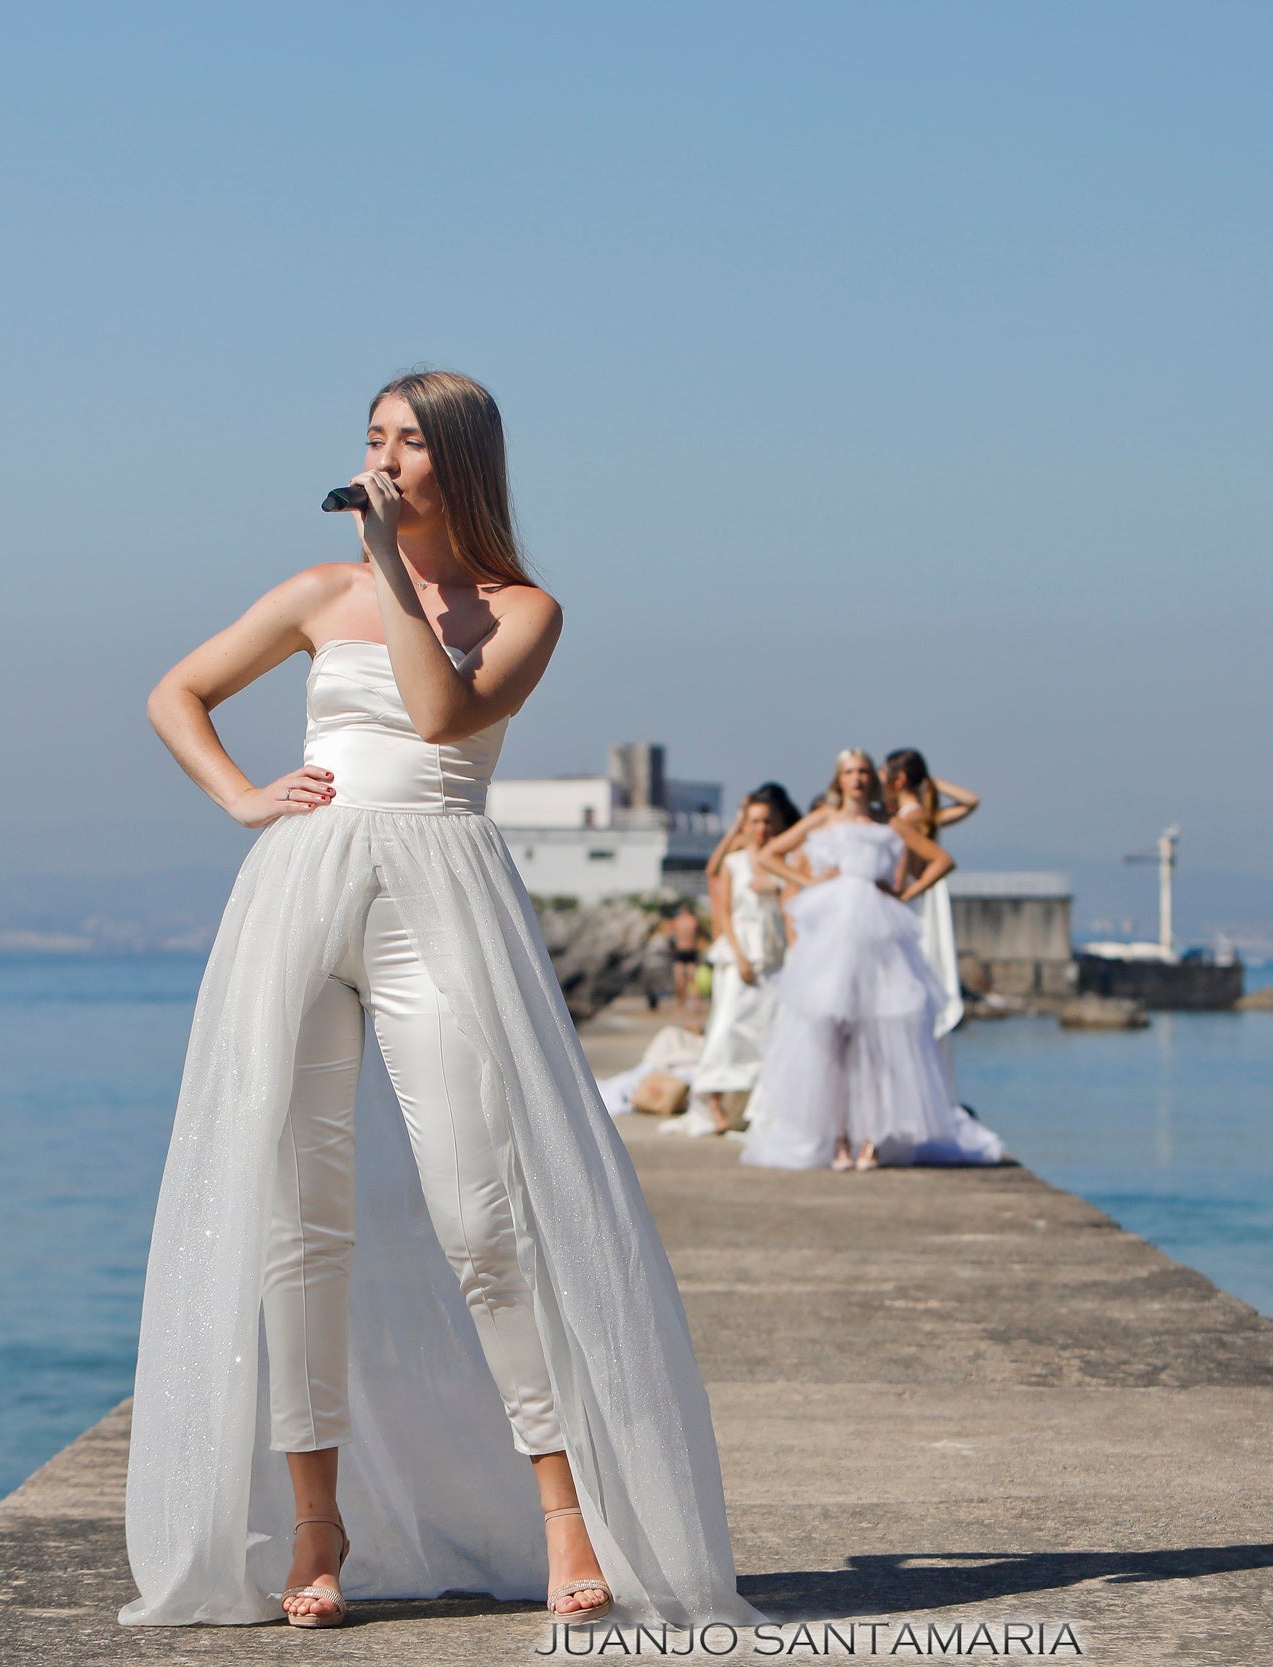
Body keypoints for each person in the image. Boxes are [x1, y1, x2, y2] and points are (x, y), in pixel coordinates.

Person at [127, 370, 755, 1632]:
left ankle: (564, 1506)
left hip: (441, 892)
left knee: (485, 1210)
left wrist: (388, 563)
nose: (385, 459)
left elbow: (438, 710)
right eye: (372, 440)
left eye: (410, 442)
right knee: (298, 1219)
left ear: (459, 461)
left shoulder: (524, 608)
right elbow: (173, 693)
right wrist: (245, 797)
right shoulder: (314, 593)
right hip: (300, 887)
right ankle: (317, 1524)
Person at [740, 751, 1006, 1172]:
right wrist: (809, 881)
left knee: (879, 1045)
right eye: (850, 772)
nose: (858, 779)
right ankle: (839, 1140)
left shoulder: (890, 822)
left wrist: (904, 893)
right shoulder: (825, 818)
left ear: (873, 778)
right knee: (831, 1044)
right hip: (832, 940)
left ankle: (871, 1140)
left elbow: (941, 859)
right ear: (838, 779)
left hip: (880, 940)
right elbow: (769, 854)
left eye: (864, 771)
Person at [685, 785, 802, 1133]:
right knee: (726, 1027)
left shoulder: (784, 861)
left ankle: (763, 1108)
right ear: (745, 824)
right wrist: (738, 956)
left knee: (770, 1031)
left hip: (775, 954)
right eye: (755, 821)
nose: (762, 828)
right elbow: (722, 913)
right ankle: (713, 1103)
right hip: (742, 950)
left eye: (767, 821)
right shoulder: (733, 862)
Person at [883, 749, 978, 1041]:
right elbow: (970, 802)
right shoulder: (928, 815)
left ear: (898, 780)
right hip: (927, 894)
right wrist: (933, 784)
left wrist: (905, 891)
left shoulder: (905, 819)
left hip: (912, 895)